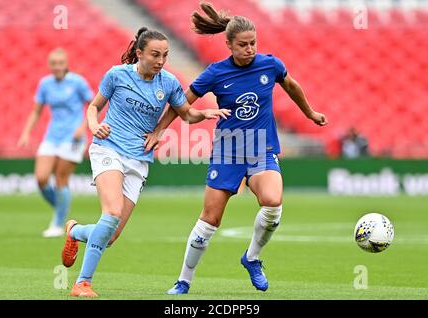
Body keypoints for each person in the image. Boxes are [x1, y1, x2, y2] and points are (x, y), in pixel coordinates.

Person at [145, 2, 328, 295]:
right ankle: (184, 280)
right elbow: (183, 101)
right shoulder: (216, 73)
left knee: (273, 201)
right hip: (227, 151)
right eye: (243, 44)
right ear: (229, 45)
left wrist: (309, 113)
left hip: (261, 148)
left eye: (253, 43)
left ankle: (252, 258)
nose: (250, 49)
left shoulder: (271, 65)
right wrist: (159, 131)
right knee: (210, 220)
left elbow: (291, 86)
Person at [60, 27, 230, 298]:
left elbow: (185, 113)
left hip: (139, 159)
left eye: (165, 55)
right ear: (139, 53)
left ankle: (75, 231)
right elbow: (94, 106)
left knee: (111, 236)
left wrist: (205, 113)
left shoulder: (169, 83)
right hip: (109, 148)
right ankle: (82, 283)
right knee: (112, 213)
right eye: (155, 54)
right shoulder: (117, 75)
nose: (161, 60)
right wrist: (94, 126)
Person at [17, 48, 93, 238]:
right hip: (52, 136)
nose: (57, 67)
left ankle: (58, 223)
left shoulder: (77, 82)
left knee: (61, 179)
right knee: (41, 178)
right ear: (50, 65)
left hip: (73, 138)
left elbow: (94, 105)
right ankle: (62, 209)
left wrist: (83, 127)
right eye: (54, 63)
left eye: (60, 63)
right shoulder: (45, 84)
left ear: (66, 64)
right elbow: (37, 111)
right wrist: (26, 132)